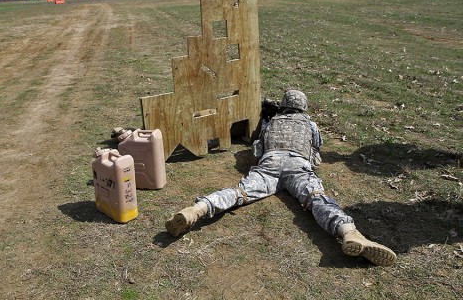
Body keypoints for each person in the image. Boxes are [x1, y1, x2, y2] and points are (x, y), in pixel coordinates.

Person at [165, 90, 397, 267]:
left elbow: (258, 151)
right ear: (303, 108)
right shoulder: (311, 125)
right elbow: (316, 155)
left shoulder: (271, 122)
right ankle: (349, 232)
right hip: (298, 166)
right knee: (316, 197)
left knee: (240, 193)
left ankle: (198, 209)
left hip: (270, 165)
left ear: (283, 106)